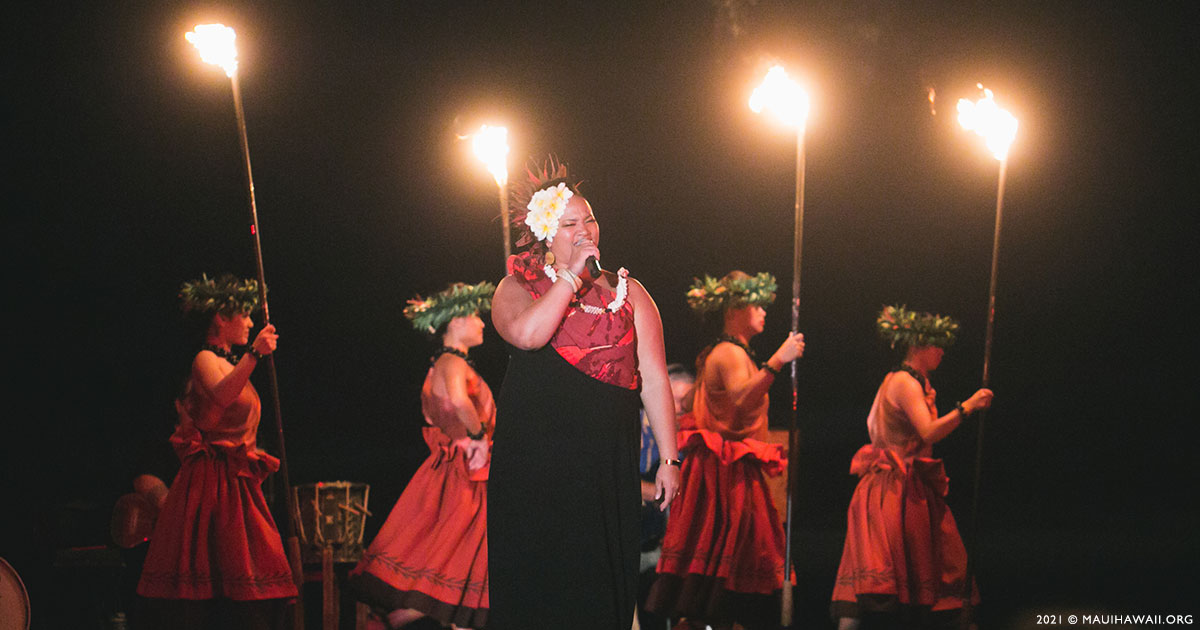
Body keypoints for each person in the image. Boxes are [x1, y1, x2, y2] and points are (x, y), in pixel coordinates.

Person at [487, 160, 681, 629]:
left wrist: (669, 460)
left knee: (600, 589)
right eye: (569, 223)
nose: (584, 230)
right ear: (545, 236)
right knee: (541, 589)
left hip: (603, 467)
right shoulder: (517, 288)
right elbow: (529, 335)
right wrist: (570, 279)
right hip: (536, 468)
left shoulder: (630, 294)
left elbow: (654, 378)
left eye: (589, 219)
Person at [646, 271, 805, 630]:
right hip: (723, 475)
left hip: (730, 470)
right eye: (757, 305)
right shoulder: (729, 353)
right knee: (721, 572)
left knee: (728, 578)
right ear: (736, 308)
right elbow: (741, 399)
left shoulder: (733, 352)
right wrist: (780, 359)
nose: (764, 311)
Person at [137, 274, 297, 630]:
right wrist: (254, 353)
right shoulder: (204, 359)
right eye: (244, 314)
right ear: (221, 320)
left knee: (254, 589)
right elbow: (222, 396)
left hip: (237, 485)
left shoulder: (232, 364)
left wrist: (251, 358)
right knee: (214, 591)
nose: (252, 321)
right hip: (211, 487)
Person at [830, 305, 994, 629]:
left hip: (893, 487)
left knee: (938, 569)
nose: (942, 352)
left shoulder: (902, 380)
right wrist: (969, 406)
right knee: (888, 577)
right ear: (918, 345)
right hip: (895, 492)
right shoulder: (905, 382)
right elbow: (929, 431)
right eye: (937, 345)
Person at [348, 281, 496, 629]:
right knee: (467, 562)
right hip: (468, 474)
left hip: (456, 471)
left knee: (459, 566)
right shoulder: (451, 362)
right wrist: (478, 436)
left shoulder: (440, 365)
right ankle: (395, 619)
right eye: (475, 316)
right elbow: (460, 401)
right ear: (455, 322)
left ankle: (396, 619)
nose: (482, 323)